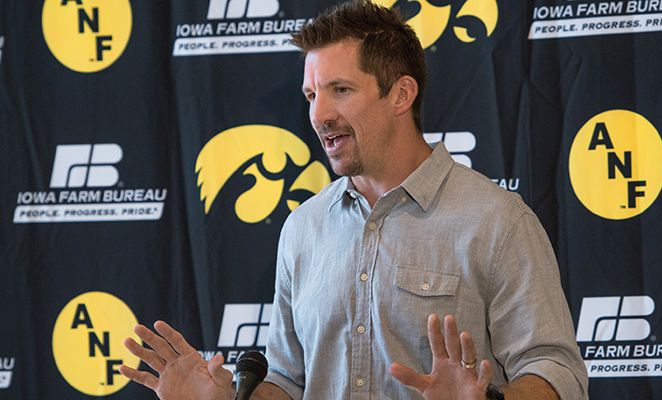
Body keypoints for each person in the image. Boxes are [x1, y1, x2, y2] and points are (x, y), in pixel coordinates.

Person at [120, 1, 589, 399]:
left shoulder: (496, 221)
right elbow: (287, 379)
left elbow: (558, 373)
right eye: (311, 94)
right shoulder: (303, 227)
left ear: (401, 93)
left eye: (340, 90)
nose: (319, 114)